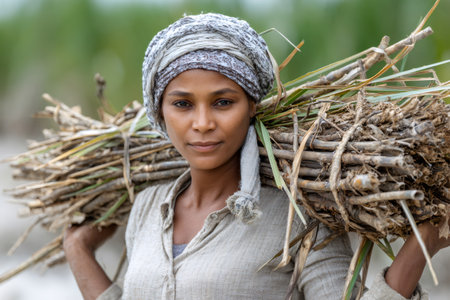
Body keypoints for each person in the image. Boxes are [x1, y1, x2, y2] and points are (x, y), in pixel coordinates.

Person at [63, 13, 450, 300]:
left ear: (251, 106)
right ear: (160, 113)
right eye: (182, 104)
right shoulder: (148, 206)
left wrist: (423, 242)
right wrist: (77, 249)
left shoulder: (297, 216)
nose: (202, 123)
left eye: (223, 102)